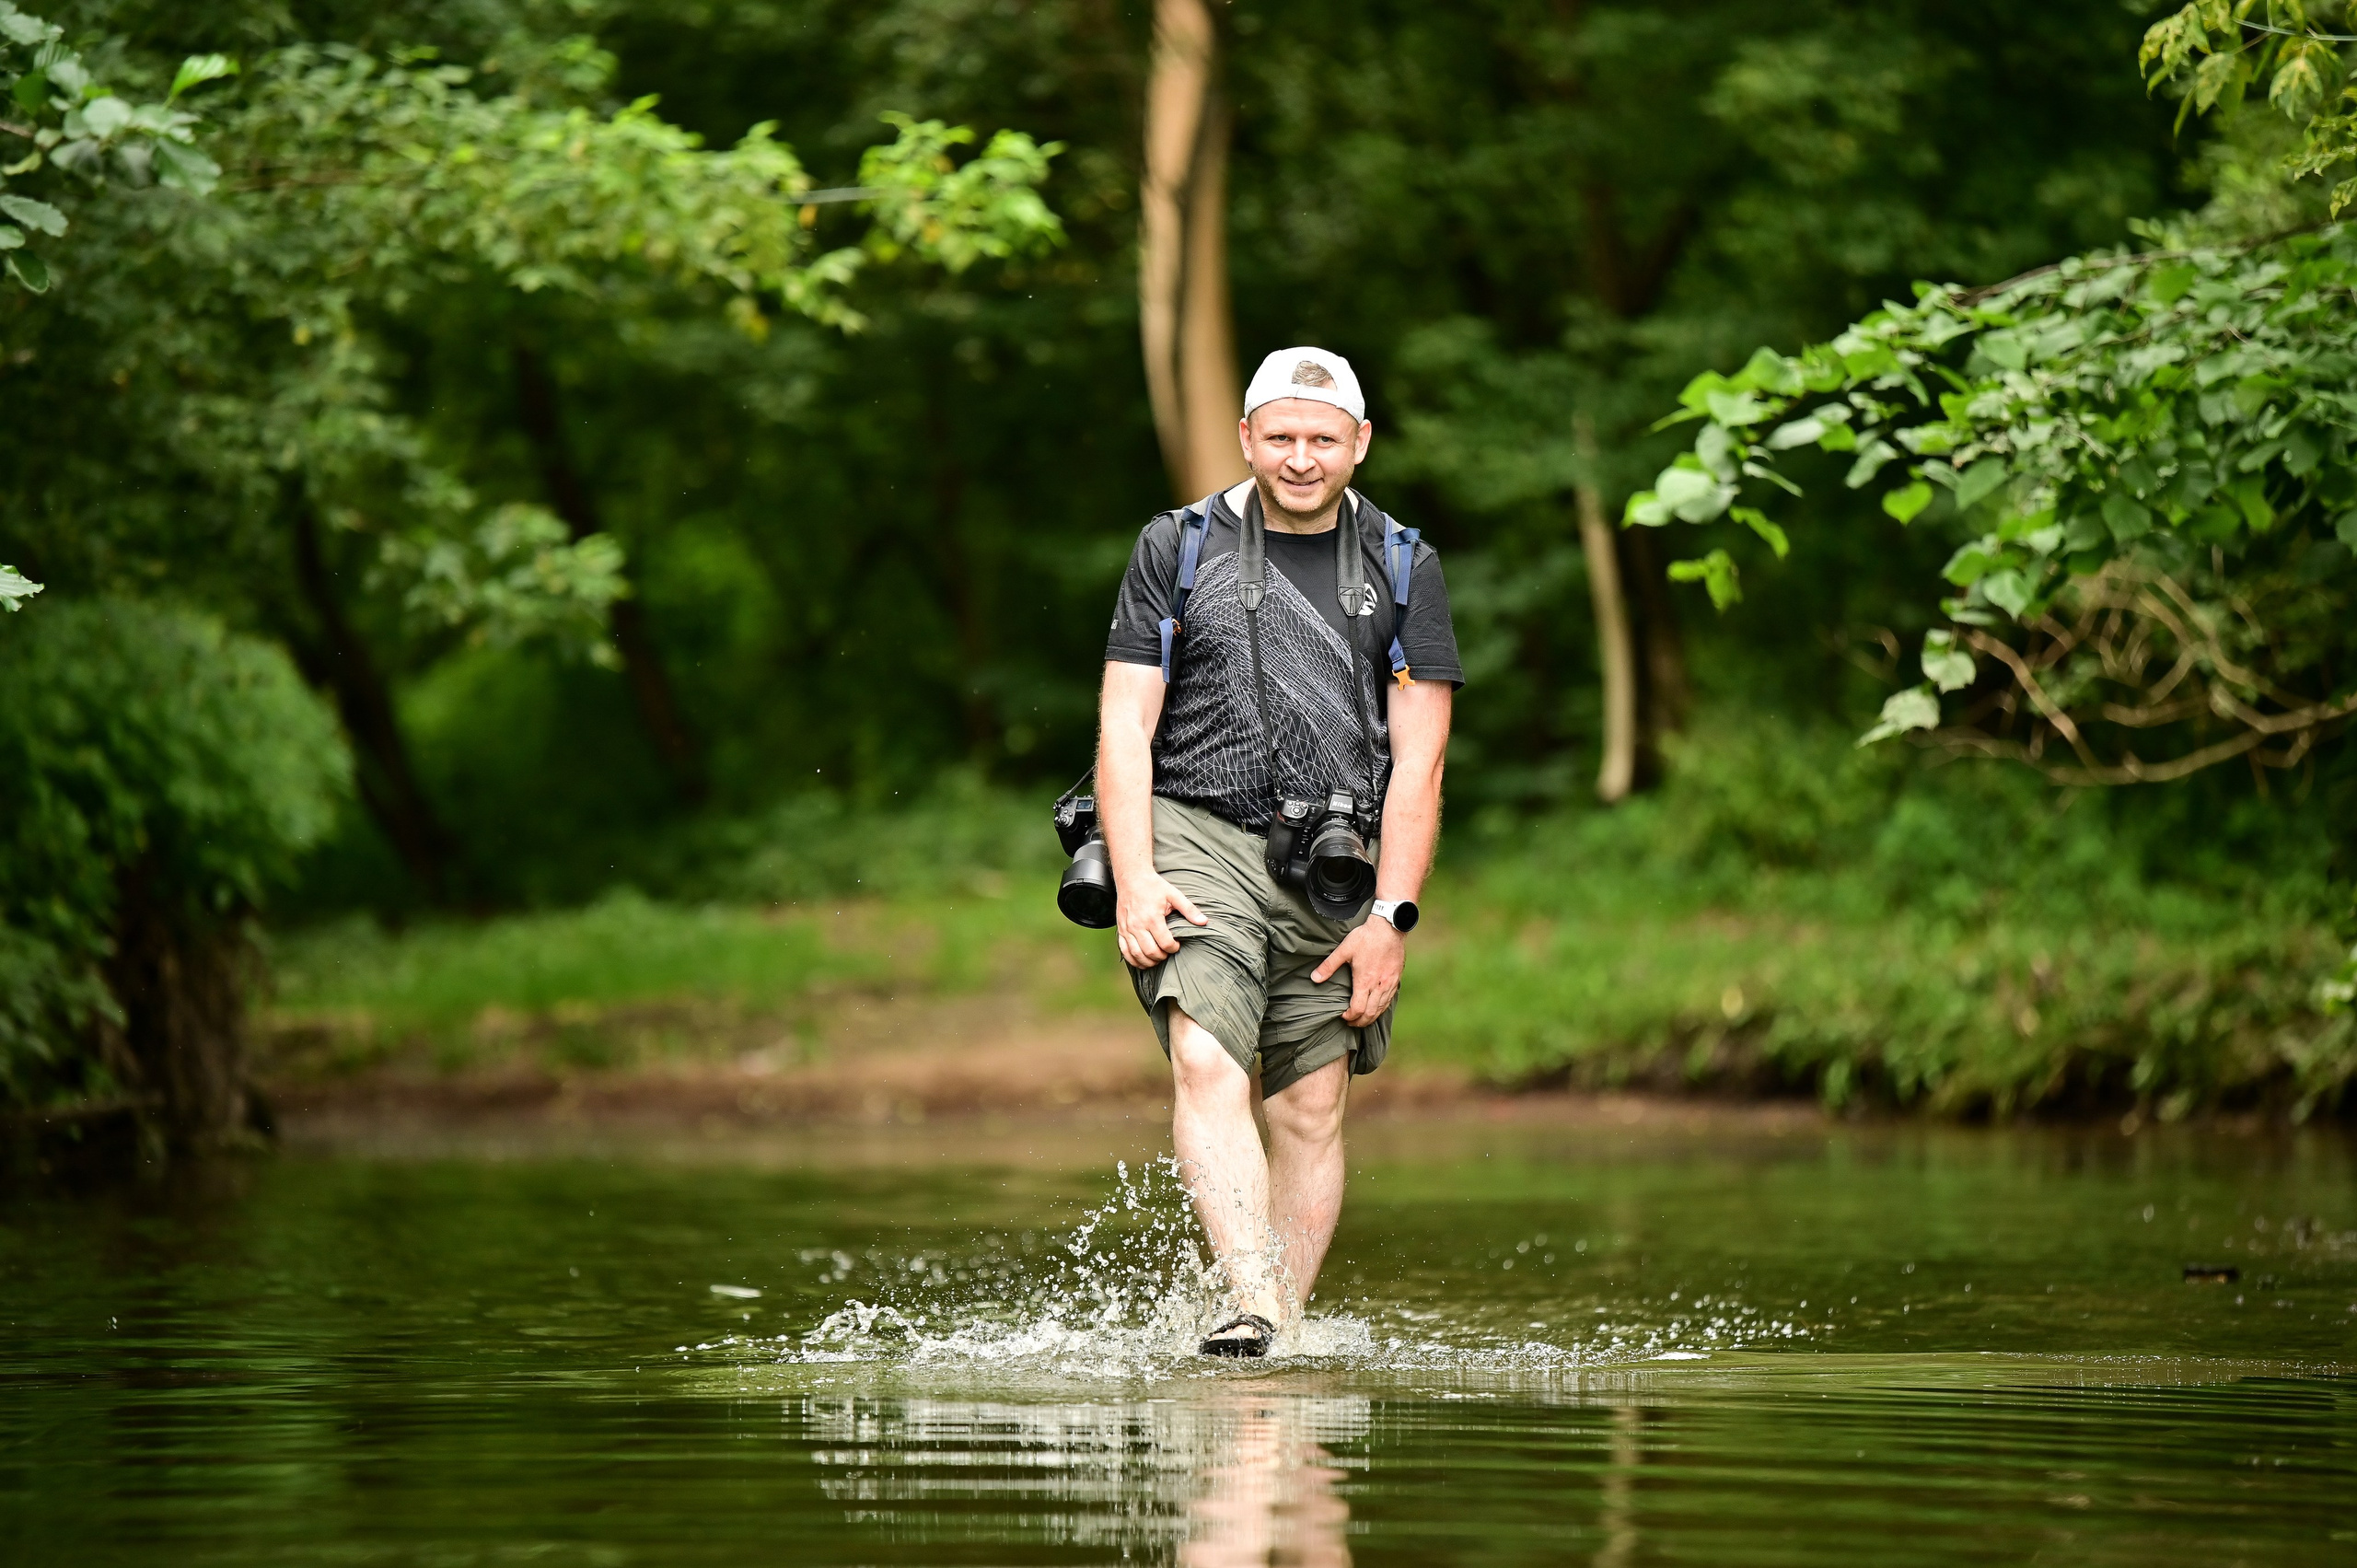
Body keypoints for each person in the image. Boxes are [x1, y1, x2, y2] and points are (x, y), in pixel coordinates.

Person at [1097, 346, 1461, 1356]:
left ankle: (1274, 1334)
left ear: (1360, 443)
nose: (1302, 458)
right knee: (1206, 1057)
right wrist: (1136, 874)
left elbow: (1421, 765)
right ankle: (1250, 1300)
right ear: (1247, 436)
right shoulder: (1177, 544)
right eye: (1283, 437)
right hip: (1196, 832)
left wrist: (1391, 918)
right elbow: (1125, 723)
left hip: (1337, 861)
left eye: (1323, 439)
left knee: (1308, 1105)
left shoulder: (1401, 562)